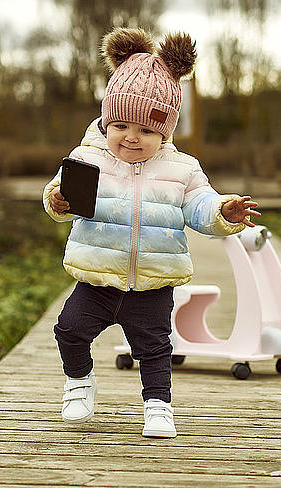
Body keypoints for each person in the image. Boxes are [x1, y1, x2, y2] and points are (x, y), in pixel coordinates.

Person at [43, 27, 260, 438]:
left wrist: (222, 211)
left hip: (153, 281)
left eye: (146, 130)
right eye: (121, 125)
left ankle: (158, 407)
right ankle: (78, 382)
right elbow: (60, 194)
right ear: (107, 120)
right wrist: (57, 201)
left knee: (155, 349)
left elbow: (200, 206)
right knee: (69, 329)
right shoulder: (87, 158)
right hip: (98, 277)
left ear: (166, 132)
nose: (131, 137)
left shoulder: (182, 169)